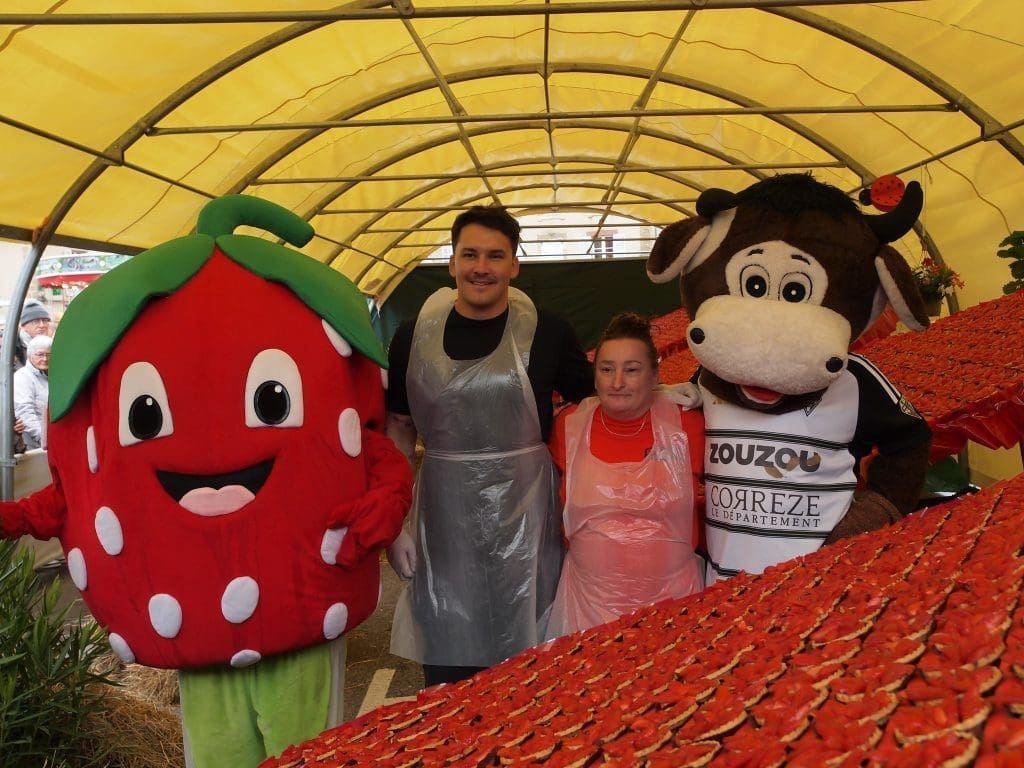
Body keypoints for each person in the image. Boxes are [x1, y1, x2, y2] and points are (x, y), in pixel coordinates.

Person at [386, 205, 594, 687]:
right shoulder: (412, 334)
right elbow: (398, 427)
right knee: (448, 654)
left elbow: (595, 404)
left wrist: (666, 398)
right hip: (444, 518)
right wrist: (394, 525)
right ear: (452, 262)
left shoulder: (548, 330)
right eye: (471, 254)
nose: (482, 267)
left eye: (495, 256)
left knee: (530, 655)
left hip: (528, 519)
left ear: (514, 265)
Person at [546, 312, 705, 638]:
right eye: (607, 369)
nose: (617, 382)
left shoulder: (688, 426)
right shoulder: (568, 428)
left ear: (654, 375)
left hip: (674, 608)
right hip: (585, 611)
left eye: (632, 370)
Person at [13, 334, 50, 450]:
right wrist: (45, 439)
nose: (45, 358)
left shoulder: (55, 376)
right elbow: (25, 412)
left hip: (54, 441)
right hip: (35, 446)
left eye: (49, 355)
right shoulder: (22, 377)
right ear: (29, 356)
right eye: (40, 354)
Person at [15, 300, 52, 369]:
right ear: (24, 326)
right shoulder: (14, 349)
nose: (42, 325)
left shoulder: (53, 344)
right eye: (35, 322)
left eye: (44, 320)